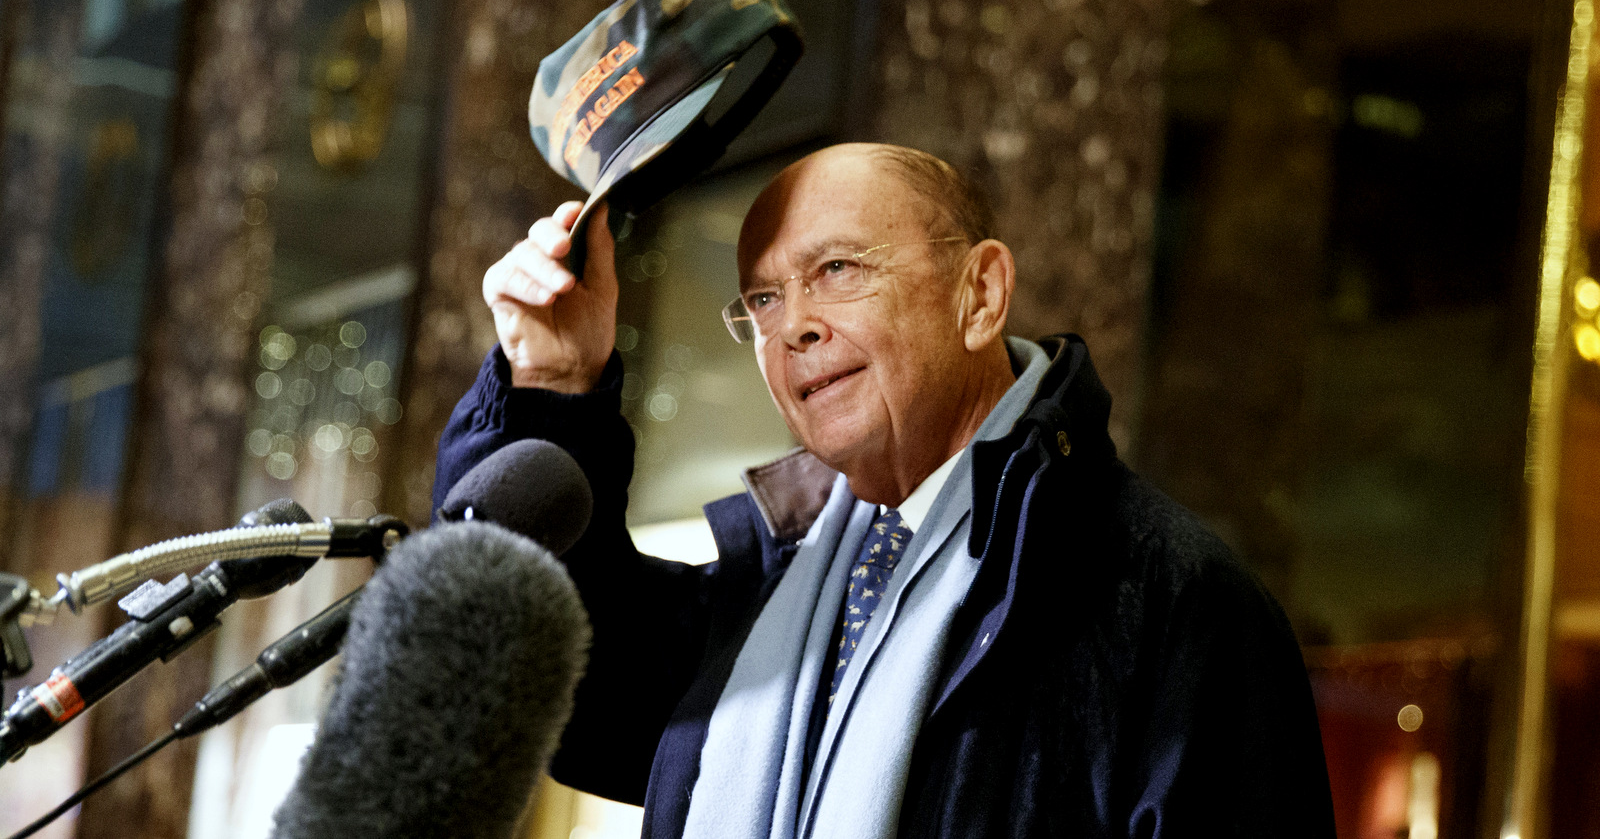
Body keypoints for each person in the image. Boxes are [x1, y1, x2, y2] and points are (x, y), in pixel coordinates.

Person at [433, 142, 1336, 838]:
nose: (796, 329)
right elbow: (562, 690)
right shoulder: (765, 590)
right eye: (763, 302)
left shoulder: (1169, 599)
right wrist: (548, 388)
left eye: (838, 271)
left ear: (979, 295)